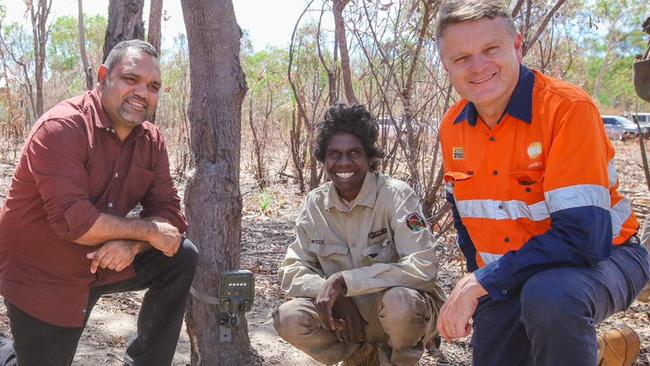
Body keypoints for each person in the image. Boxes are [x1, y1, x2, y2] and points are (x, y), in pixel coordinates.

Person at [434, 1, 650, 365]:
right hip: (515, 273)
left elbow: (585, 238)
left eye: (490, 50)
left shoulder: (566, 109)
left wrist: (480, 282)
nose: (478, 67)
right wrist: (480, 283)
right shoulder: (452, 126)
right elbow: (465, 223)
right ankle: (599, 352)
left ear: (517, 46)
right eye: (462, 58)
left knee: (550, 296)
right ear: (447, 67)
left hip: (605, 258)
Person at [0, 40, 198, 366]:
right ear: (103, 76)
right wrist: (147, 231)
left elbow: (171, 217)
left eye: (153, 86)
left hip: (102, 259)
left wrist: (132, 245)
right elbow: (74, 221)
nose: (142, 93)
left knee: (180, 256)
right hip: (43, 272)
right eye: (131, 80)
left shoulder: (152, 141)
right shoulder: (62, 127)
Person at [273, 104, 444, 366]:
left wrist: (346, 281)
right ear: (324, 159)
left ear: (370, 158)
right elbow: (291, 269)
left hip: (398, 313)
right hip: (346, 318)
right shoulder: (315, 203)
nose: (343, 163)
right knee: (289, 317)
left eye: (354, 153)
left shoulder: (396, 196)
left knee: (401, 302)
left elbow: (424, 266)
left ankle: (400, 361)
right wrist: (331, 291)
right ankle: (359, 357)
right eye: (334, 154)